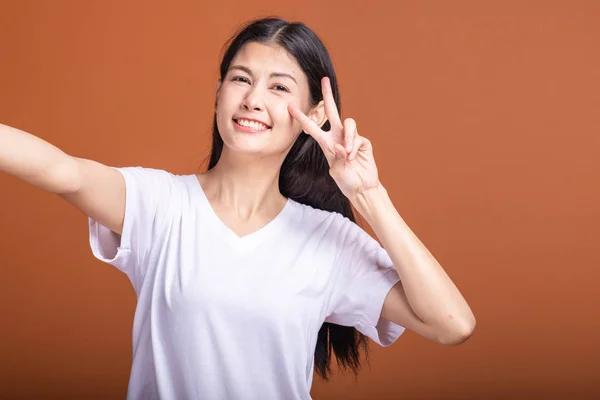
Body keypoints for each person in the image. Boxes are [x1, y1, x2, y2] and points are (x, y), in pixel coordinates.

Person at [0, 17, 475, 400]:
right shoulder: (160, 205)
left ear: (314, 117)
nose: (252, 99)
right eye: (241, 79)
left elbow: (452, 324)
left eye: (279, 88)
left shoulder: (328, 240)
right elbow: (62, 171)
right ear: (218, 94)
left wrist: (368, 195)